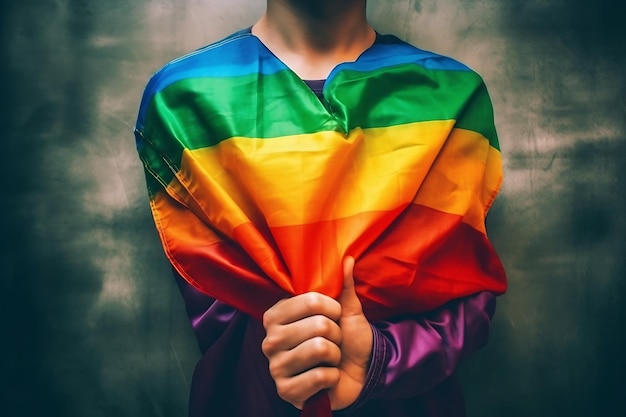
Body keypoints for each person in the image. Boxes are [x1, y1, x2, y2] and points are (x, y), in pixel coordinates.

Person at [134, 0, 507, 416]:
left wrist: (381, 358)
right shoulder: (182, 100)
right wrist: (289, 351)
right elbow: (220, 312)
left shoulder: (453, 95)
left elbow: (464, 300)